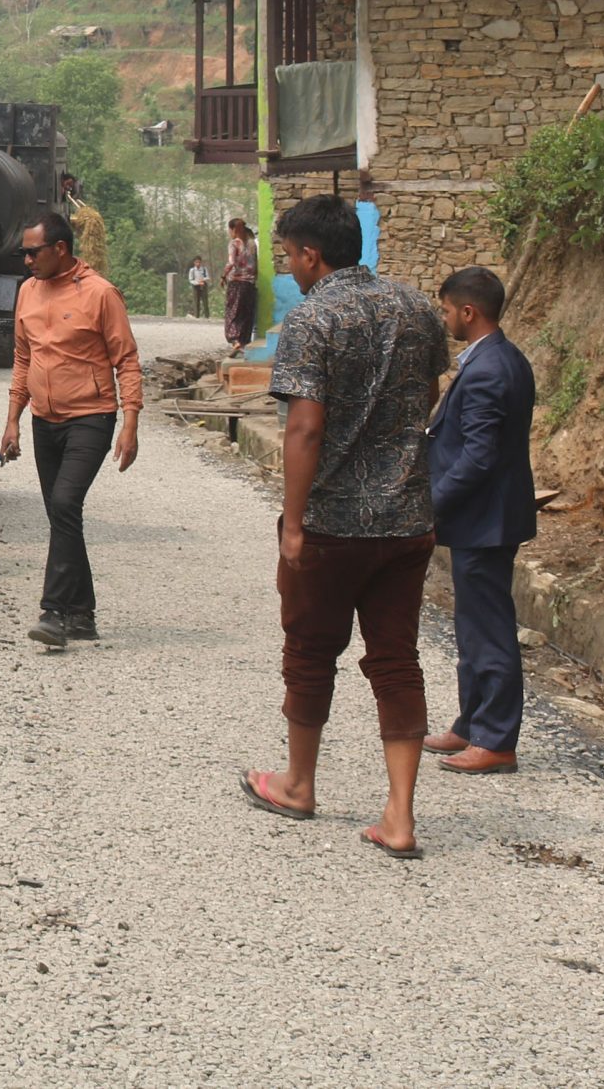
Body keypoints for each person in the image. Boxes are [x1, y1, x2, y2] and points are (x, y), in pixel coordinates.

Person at [239, 194, 447, 860]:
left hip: (333, 521)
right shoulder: (419, 309)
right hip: (407, 518)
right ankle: (400, 815)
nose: (290, 267)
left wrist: (293, 524)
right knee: (395, 659)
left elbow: (304, 424)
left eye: (291, 254)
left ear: (312, 254)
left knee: (309, 652)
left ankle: (299, 783)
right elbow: (427, 396)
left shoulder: (313, 318)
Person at [0, 211, 142, 650]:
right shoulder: (27, 292)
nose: (26, 260)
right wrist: (12, 420)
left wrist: (130, 422)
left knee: (64, 503)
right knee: (62, 515)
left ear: (60, 249)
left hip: (91, 417)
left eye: (32, 252)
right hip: (45, 420)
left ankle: (54, 612)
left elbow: (127, 359)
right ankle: (83, 615)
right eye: (24, 252)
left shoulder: (100, 294)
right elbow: (23, 358)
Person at [425, 266, 538, 776]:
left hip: (485, 520)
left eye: (447, 310)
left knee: (488, 628)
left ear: (468, 312)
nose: (444, 318)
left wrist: (432, 503)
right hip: (481, 518)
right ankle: (471, 723)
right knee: (471, 625)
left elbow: (479, 455)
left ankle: (496, 739)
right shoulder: (495, 359)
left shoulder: (491, 367)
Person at [222, 217, 259, 356]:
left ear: (233, 229)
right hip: (249, 284)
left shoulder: (234, 243)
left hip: (236, 283)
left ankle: (235, 341)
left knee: (233, 313)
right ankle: (243, 344)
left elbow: (231, 262)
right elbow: (255, 265)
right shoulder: (252, 245)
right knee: (246, 314)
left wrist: (223, 276)